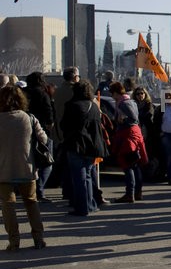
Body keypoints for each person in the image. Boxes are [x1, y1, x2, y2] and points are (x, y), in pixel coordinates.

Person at [0, 85, 48, 250]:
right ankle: (38, 238)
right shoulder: (29, 118)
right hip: (27, 167)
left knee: (8, 205)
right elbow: (43, 139)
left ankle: (14, 241)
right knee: (31, 202)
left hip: (3, 169)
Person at [60, 80, 109, 217]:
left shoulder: (72, 105)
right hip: (92, 146)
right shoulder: (94, 106)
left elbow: (64, 125)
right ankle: (90, 205)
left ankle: (82, 207)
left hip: (76, 145)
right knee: (87, 176)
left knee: (79, 178)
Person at [109, 82, 148, 203]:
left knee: (128, 165)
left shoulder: (123, 103)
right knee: (135, 164)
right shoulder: (131, 101)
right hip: (134, 134)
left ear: (116, 93)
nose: (112, 97)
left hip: (128, 135)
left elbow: (131, 118)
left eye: (112, 94)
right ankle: (137, 192)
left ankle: (130, 193)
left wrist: (122, 120)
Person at [23, 72, 56, 202]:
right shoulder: (43, 94)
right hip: (41, 130)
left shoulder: (24, 93)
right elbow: (49, 112)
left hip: (25, 130)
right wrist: (50, 124)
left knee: (30, 161)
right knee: (47, 162)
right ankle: (39, 190)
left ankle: (29, 190)